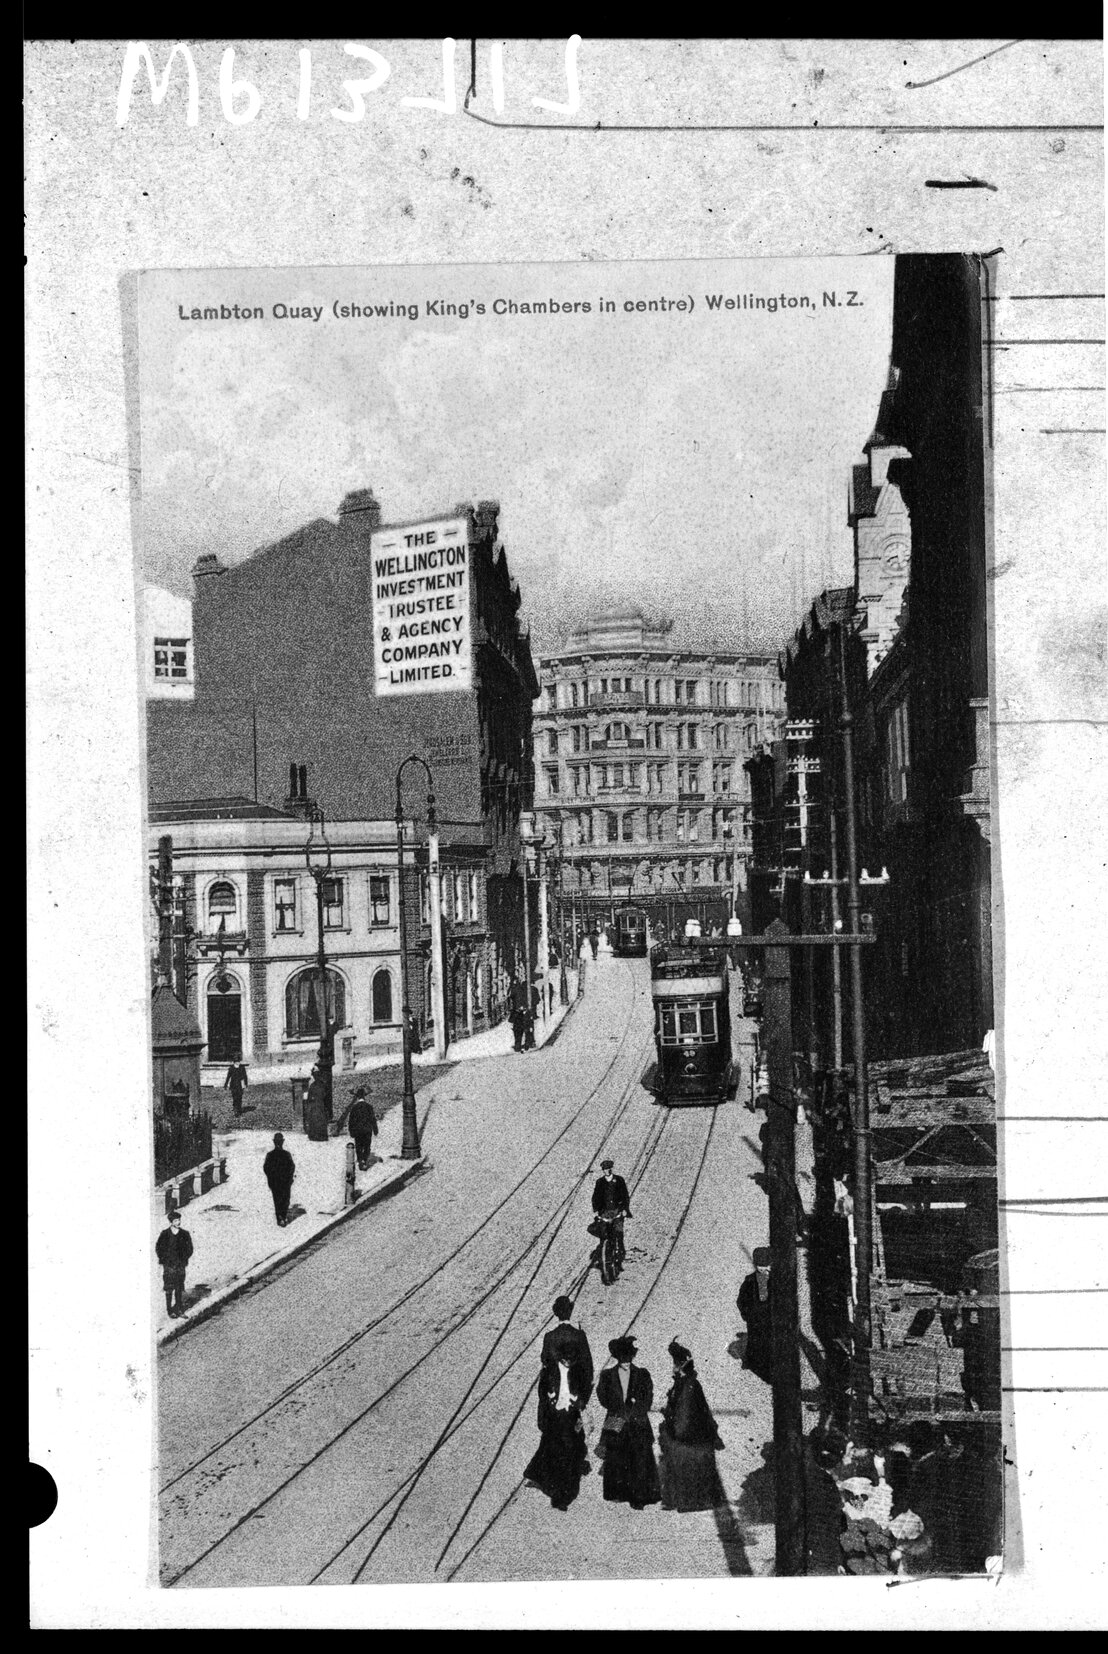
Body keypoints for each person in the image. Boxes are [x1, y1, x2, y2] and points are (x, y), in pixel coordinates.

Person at [658, 1340, 725, 1512]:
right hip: (690, 1436)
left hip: (688, 1437)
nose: (673, 1367)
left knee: (690, 1469)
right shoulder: (686, 1383)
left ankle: (692, 1502)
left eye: (675, 1363)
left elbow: (686, 1413)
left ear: (681, 1365)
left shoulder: (688, 1385)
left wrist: (674, 1431)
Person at [595, 1336, 661, 1509]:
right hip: (616, 1420)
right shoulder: (607, 1375)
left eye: (628, 1358)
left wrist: (635, 1411)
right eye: (622, 1359)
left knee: (639, 1459)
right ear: (617, 1358)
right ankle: (620, 1492)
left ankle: (639, 1497)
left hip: (637, 1422)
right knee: (617, 1457)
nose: (626, 1362)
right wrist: (616, 1409)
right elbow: (602, 1396)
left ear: (632, 1357)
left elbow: (648, 1398)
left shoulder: (642, 1374)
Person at [524, 1353, 591, 1511]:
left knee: (570, 1456)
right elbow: (542, 1397)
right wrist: (543, 1418)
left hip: (571, 1418)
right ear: (561, 1359)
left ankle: (562, 1494)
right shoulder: (549, 1373)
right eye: (566, 1359)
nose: (569, 1362)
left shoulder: (578, 1372)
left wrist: (579, 1404)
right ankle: (557, 1492)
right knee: (554, 1454)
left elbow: (584, 1391)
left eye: (571, 1359)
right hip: (554, 1418)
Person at [737, 1246, 774, 1383]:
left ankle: (769, 1374)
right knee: (755, 1343)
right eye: (760, 1266)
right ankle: (751, 1362)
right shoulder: (750, 1281)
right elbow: (741, 1301)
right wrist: (747, 1315)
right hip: (755, 1321)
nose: (763, 1269)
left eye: (765, 1266)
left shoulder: (775, 1280)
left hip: (770, 1319)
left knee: (769, 1346)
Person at [592, 1159, 632, 1267]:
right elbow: (595, 1197)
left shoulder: (619, 1180)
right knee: (604, 1235)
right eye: (605, 1169)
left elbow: (625, 1196)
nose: (607, 1171)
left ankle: (620, 1256)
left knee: (618, 1234)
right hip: (605, 1213)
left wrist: (624, 1209)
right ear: (603, 1170)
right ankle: (605, 1256)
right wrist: (596, 1210)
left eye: (609, 1168)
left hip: (617, 1211)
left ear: (611, 1169)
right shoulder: (600, 1182)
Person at [155, 1209, 194, 1319]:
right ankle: (169, 1310)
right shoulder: (165, 1234)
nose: (179, 1222)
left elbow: (189, 1248)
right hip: (169, 1266)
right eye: (176, 1220)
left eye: (179, 1220)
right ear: (171, 1222)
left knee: (179, 1287)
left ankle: (179, 1309)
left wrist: (184, 1259)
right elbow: (159, 1248)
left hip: (180, 1265)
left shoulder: (184, 1234)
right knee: (169, 1288)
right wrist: (165, 1260)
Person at [263, 1131, 296, 1226]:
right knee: (285, 1199)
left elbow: (266, 1168)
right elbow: (292, 1167)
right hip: (285, 1182)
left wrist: (271, 1177)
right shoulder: (287, 1154)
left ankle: (279, 1218)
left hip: (274, 1182)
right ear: (283, 1142)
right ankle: (284, 1216)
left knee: (277, 1199)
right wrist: (289, 1178)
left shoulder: (270, 1155)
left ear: (274, 1142)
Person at [347, 1087, 378, 1171]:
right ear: (364, 1097)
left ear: (357, 1097)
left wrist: (351, 1131)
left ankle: (360, 1160)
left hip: (358, 1131)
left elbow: (351, 1121)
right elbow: (373, 1119)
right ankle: (364, 1159)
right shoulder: (369, 1107)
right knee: (367, 1145)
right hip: (367, 1130)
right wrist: (375, 1130)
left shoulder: (354, 1107)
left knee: (359, 1146)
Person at [304, 1066, 329, 1141]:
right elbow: (309, 1098)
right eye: (315, 1075)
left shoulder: (323, 1085)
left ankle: (321, 1136)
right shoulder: (312, 1086)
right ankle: (314, 1136)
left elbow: (326, 1097)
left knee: (321, 1121)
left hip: (321, 1106)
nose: (316, 1077)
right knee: (314, 1121)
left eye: (317, 1075)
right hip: (314, 1107)